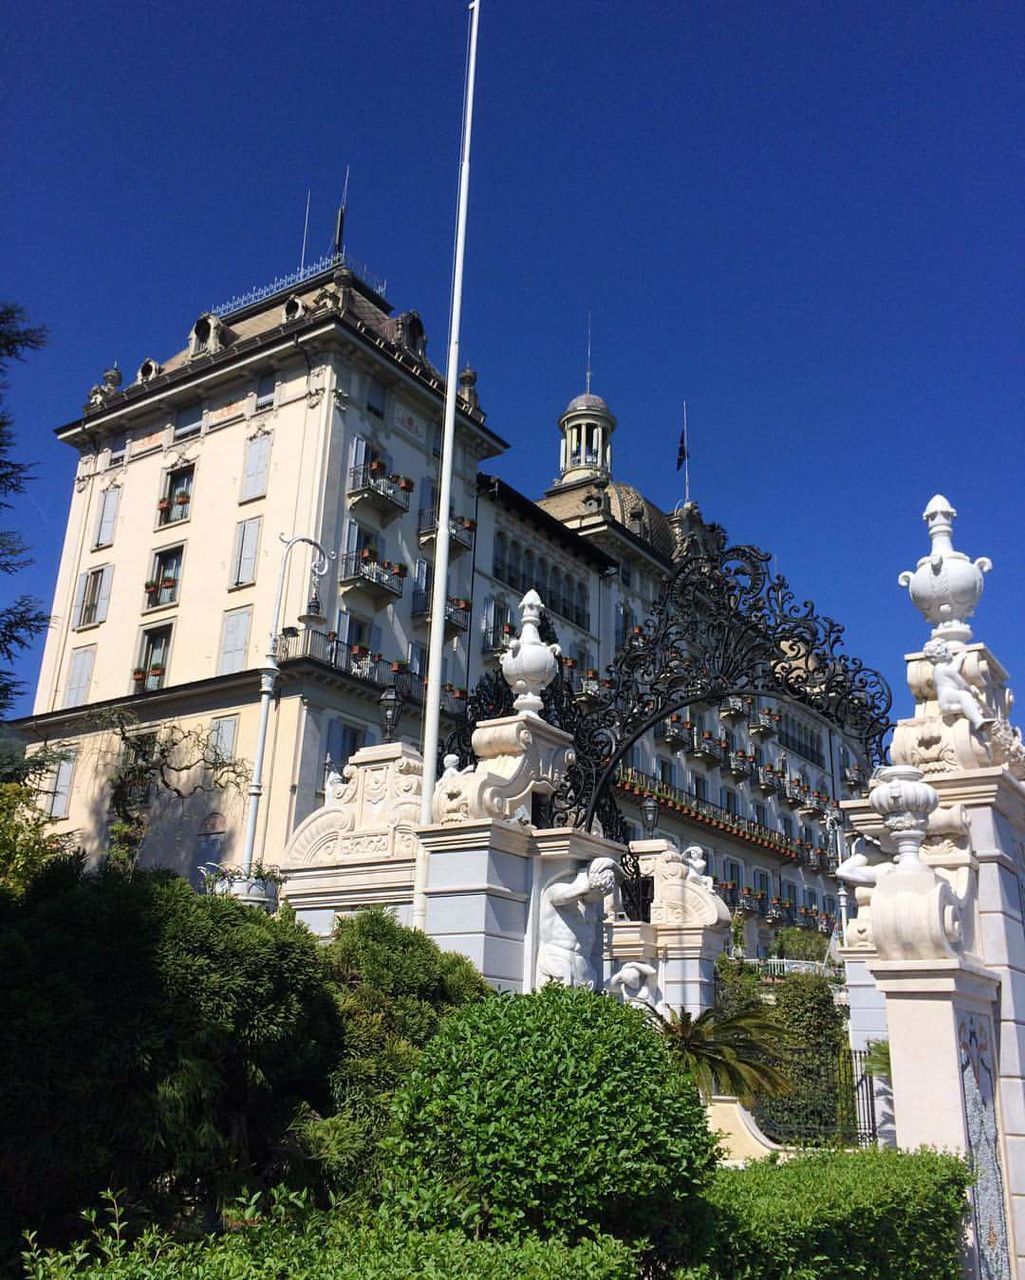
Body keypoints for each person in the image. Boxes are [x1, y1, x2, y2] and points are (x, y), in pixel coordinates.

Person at [537, 857, 618, 989]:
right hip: (558, 959)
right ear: (591, 885)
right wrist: (586, 886)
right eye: (600, 892)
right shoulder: (557, 890)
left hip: (584, 966)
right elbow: (561, 897)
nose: (600, 898)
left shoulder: (591, 908)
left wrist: (612, 862)